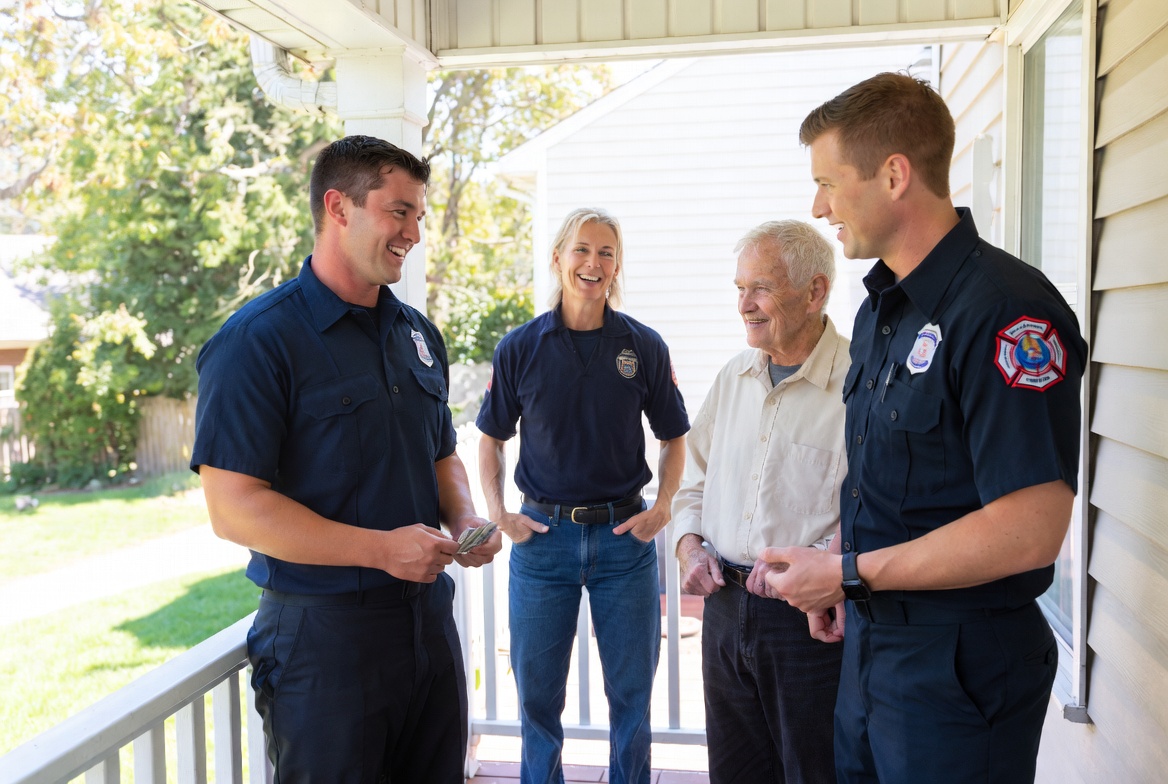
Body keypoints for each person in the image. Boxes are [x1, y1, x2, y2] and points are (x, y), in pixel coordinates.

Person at [764, 73, 1088, 783]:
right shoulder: (884, 309)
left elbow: (1030, 528)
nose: (819, 206)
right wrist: (843, 580)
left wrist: (847, 576)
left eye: (828, 182)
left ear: (894, 175)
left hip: (962, 671)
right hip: (874, 651)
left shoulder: (1005, 313)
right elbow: (890, 474)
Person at [191, 135, 501, 784]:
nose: (416, 231)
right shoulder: (256, 342)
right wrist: (382, 550)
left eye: (419, 214)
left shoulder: (418, 334)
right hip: (323, 640)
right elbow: (234, 509)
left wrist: (465, 516)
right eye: (399, 211)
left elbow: (440, 451)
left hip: (426, 625)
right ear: (339, 207)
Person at [476, 207, 689, 784]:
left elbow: (674, 439)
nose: (593, 263)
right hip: (542, 545)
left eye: (606, 253)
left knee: (632, 700)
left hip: (626, 544)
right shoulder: (520, 347)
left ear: (616, 268)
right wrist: (500, 515)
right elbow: (491, 440)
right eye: (582, 250)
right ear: (557, 258)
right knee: (537, 703)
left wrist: (663, 507)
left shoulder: (643, 346)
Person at [672, 219, 848, 784]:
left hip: (806, 619)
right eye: (739, 288)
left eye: (762, 288)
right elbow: (692, 478)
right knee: (735, 770)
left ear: (815, 291)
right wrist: (689, 544)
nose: (745, 304)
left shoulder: (858, 382)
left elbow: (874, 506)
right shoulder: (733, 376)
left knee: (814, 771)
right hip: (724, 607)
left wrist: (821, 562)